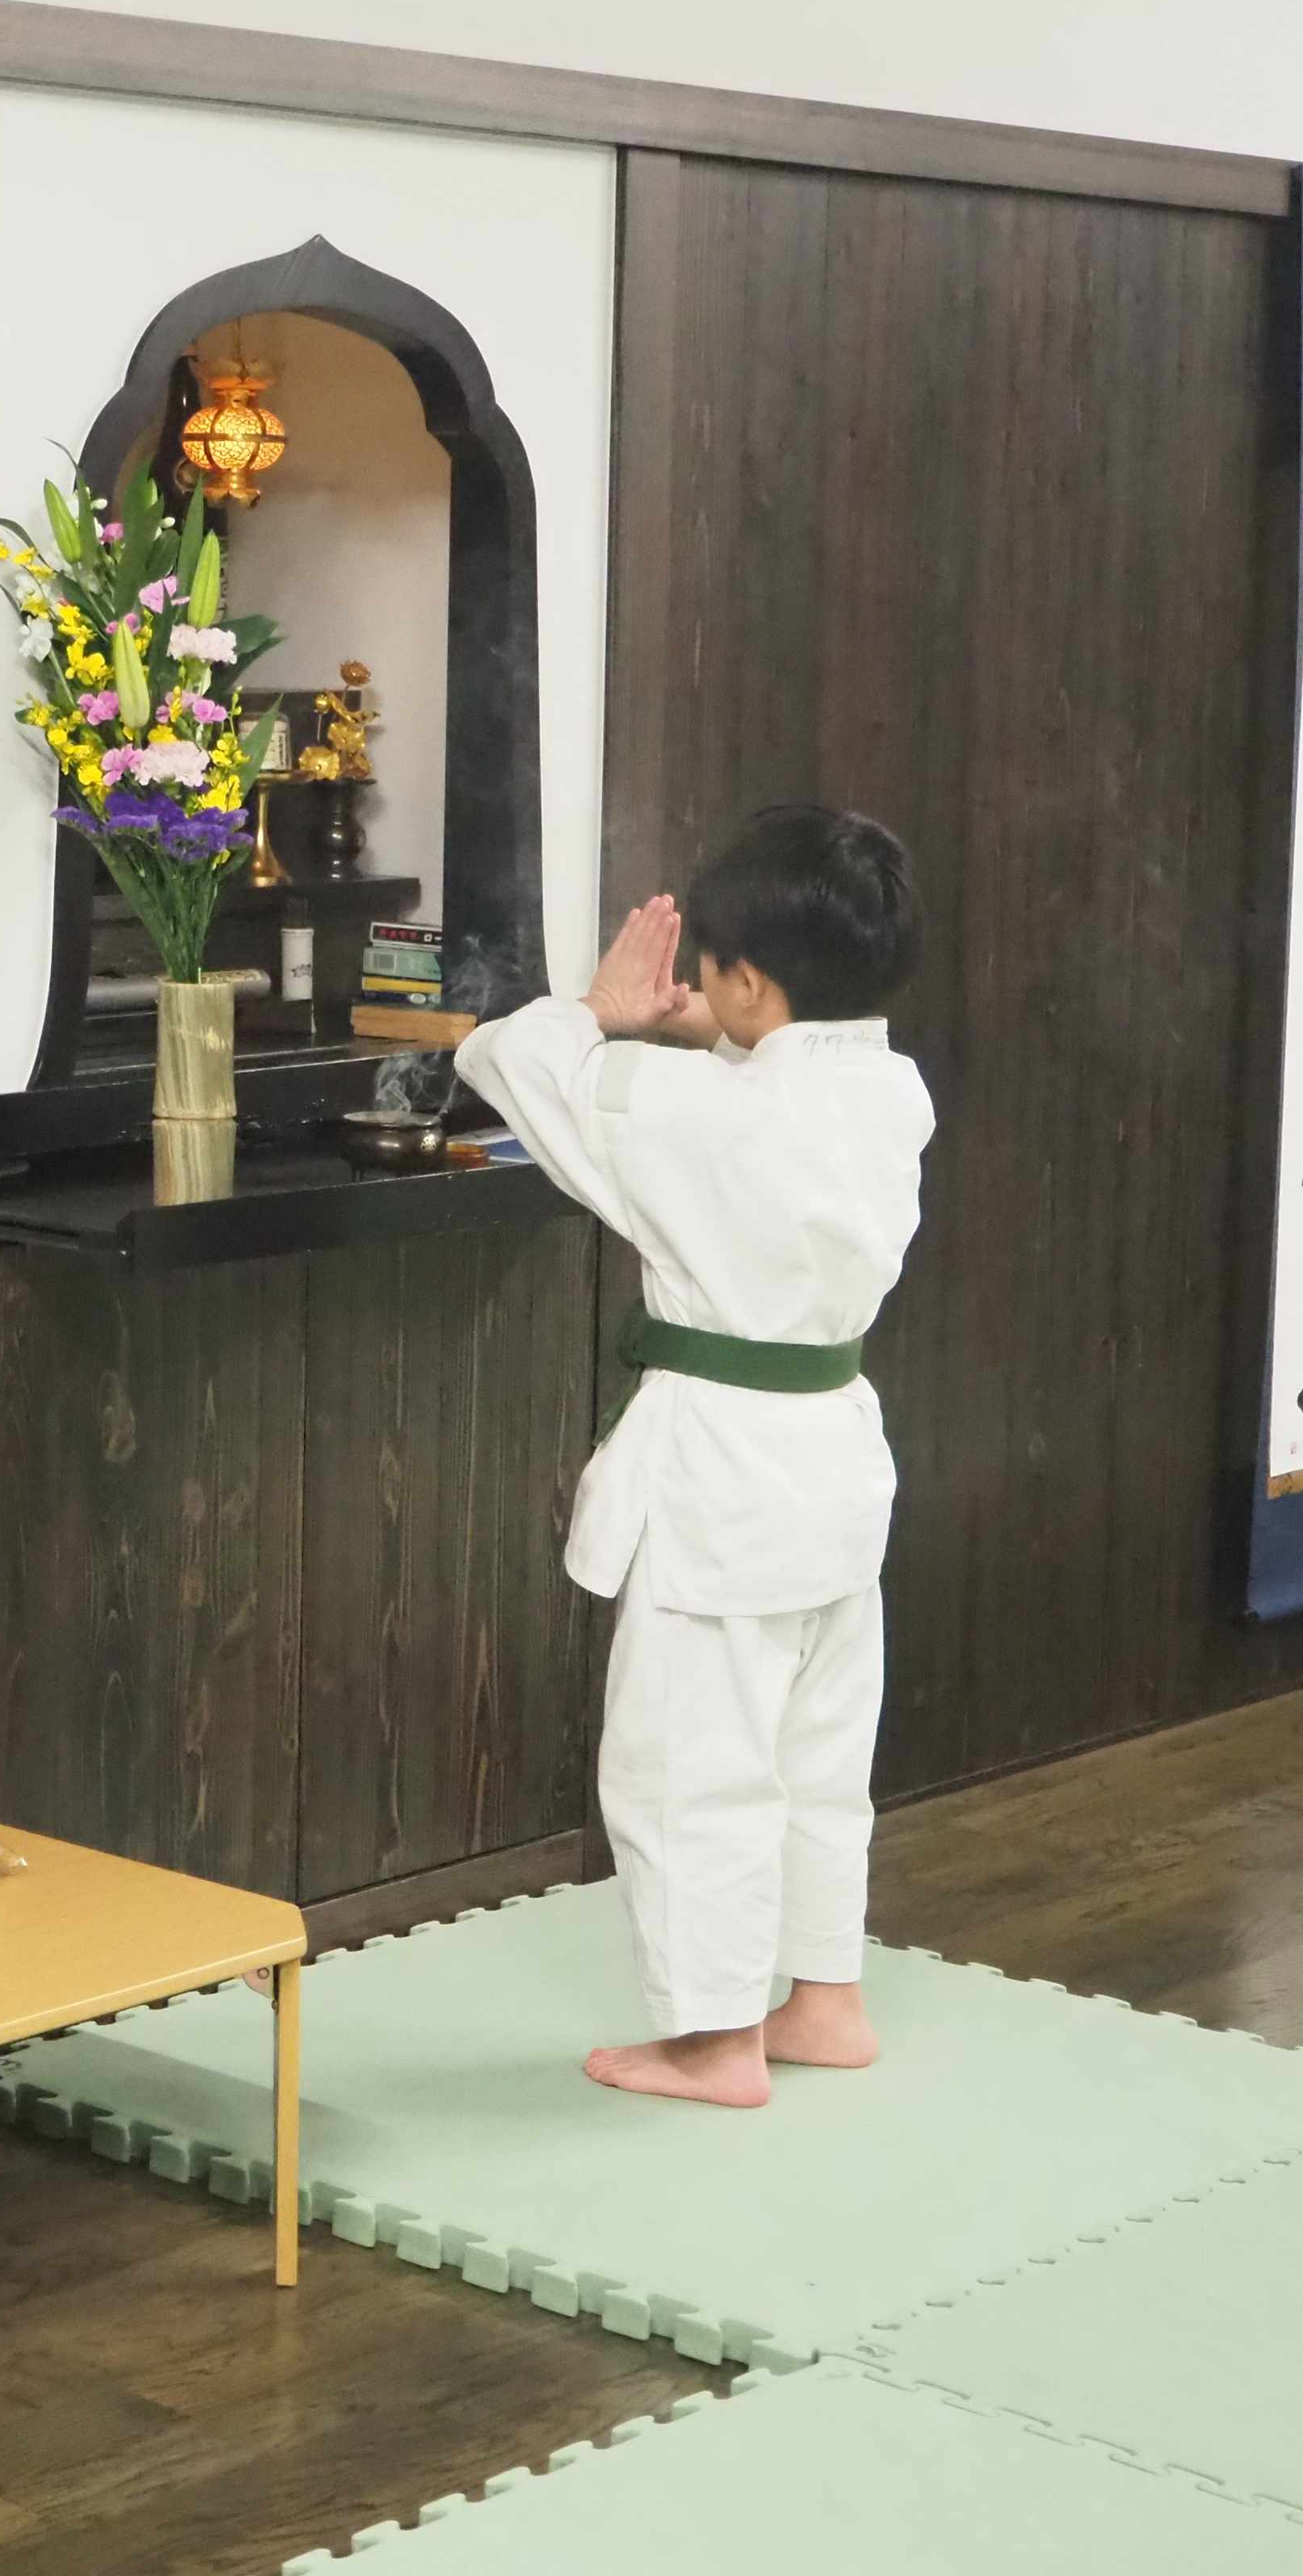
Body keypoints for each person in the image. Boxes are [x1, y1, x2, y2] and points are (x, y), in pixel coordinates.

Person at [454, 807, 931, 2110]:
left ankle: (717, 2042)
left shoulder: (685, 1112)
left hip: (724, 1481)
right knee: (821, 1750)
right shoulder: (891, 1093)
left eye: (718, 972)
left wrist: (602, 1011)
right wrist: (709, 1026)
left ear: (749, 982)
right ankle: (825, 2001)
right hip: (836, 1463)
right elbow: (773, 1087)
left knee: (688, 1764)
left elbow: (514, 1061)